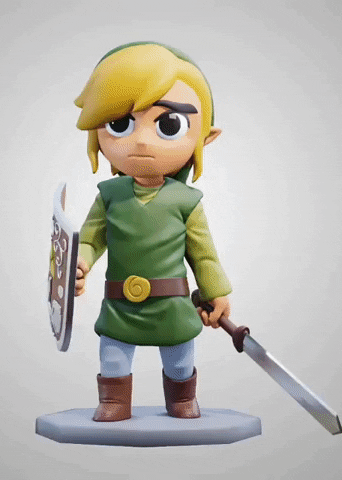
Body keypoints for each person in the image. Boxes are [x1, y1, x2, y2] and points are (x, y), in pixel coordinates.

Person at [73, 42, 232, 422]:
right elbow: (91, 238)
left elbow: (203, 253)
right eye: (120, 123)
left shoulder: (186, 200)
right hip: (120, 304)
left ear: (205, 136)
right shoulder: (110, 195)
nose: (142, 140)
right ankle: (113, 402)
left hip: (171, 303)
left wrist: (217, 291)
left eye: (168, 125)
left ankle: (182, 400)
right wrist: (78, 263)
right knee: (113, 357)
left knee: (179, 357)